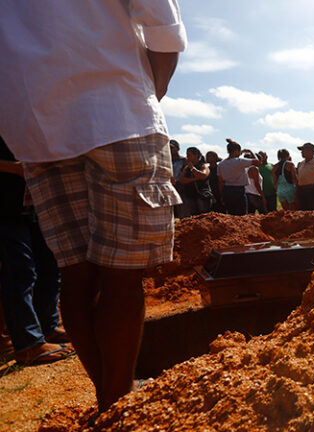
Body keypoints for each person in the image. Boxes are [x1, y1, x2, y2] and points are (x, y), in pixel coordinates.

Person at [0, 0, 186, 411]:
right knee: (121, 278)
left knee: (77, 271)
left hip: (38, 128)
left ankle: (108, 400)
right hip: (117, 111)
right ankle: (117, 404)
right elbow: (162, 24)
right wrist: (148, 95)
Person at [0, 137, 74, 366]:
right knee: (20, 271)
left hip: (33, 199)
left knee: (49, 266)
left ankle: (48, 328)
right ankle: (28, 344)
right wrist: (14, 168)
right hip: (4, 204)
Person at [218, 140, 260, 215]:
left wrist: (222, 195)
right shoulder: (240, 161)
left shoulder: (221, 164)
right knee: (242, 215)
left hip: (227, 190)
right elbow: (257, 162)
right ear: (237, 151)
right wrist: (250, 152)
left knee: (231, 214)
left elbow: (220, 182)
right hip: (239, 190)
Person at [177, 147, 212, 216]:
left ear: (196, 155)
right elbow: (181, 180)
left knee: (203, 216)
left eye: (189, 155)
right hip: (190, 196)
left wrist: (193, 169)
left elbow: (203, 175)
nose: (187, 157)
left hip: (202, 196)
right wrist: (195, 179)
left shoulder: (203, 165)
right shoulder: (186, 168)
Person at [169, 139, 187, 218]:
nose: (170, 150)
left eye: (172, 148)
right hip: (169, 187)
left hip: (181, 188)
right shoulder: (167, 161)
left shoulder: (184, 160)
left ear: (178, 148)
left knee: (182, 211)